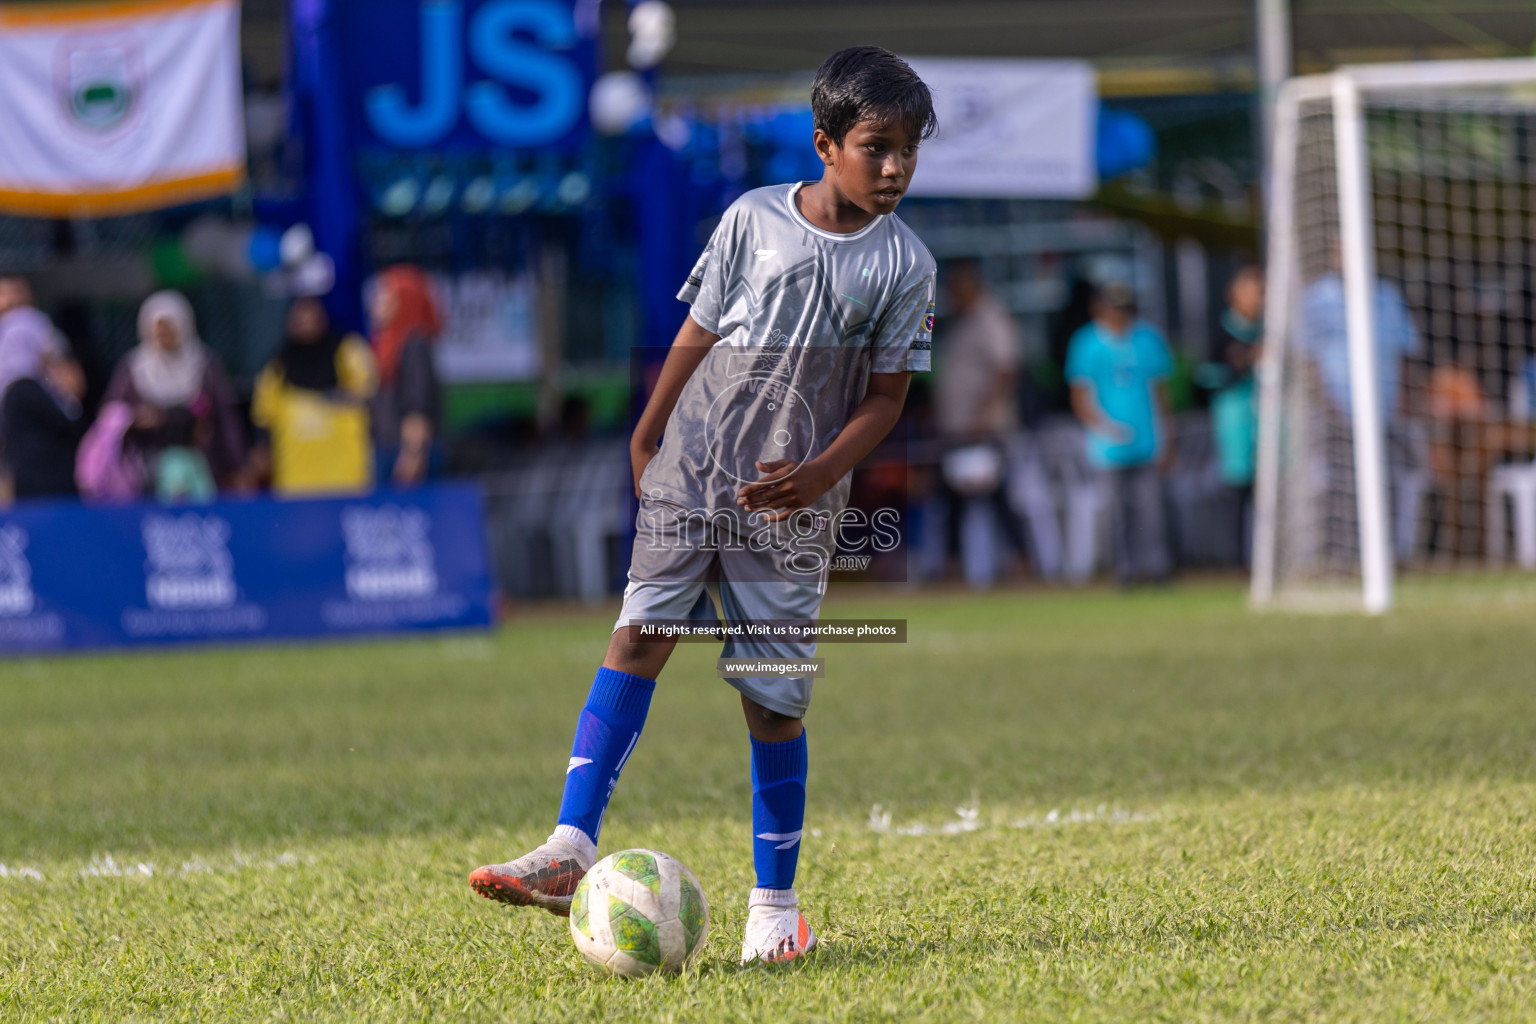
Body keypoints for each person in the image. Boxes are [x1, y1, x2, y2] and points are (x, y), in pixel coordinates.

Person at [468, 45, 938, 965]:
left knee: (772, 701)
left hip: (790, 510)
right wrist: (648, 430)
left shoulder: (904, 265)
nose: (894, 168)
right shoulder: (752, 219)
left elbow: (886, 399)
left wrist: (815, 476)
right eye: (877, 146)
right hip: (692, 471)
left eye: (909, 151)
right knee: (638, 636)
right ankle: (569, 846)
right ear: (825, 143)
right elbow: (700, 326)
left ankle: (774, 908)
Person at [1065, 280, 1175, 584]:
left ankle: (1156, 568)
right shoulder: (1086, 342)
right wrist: (1104, 428)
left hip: (1146, 440)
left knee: (1151, 511)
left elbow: (1162, 393)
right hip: (1108, 446)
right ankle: (1125, 571)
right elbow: (1080, 396)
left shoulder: (1148, 338)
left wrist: (1167, 438)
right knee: (1116, 514)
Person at [931, 258, 1028, 585]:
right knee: (953, 503)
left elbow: (1005, 371)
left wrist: (983, 414)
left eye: (955, 288)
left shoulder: (991, 318)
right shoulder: (963, 321)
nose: (951, 295)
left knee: (998, 498)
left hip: (984, 429)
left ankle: (1020, 563)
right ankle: (955, 567)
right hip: (958, 428)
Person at [103, 291, 246, 493]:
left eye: (170, 329)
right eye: (158, 331)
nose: (164, 337)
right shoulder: (134, 369)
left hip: (202, 469)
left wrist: (238, 465)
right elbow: (110, 415)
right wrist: (136, 418)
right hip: (146, 473)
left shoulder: (205, 366)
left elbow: (226, 418)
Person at [249, 297, 377, 496]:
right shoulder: (278, 364)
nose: (305, 324)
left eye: (310, 316)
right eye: (299, 318)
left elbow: (366, 390)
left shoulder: (346, 349)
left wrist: (335, 400)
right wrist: (262, 449)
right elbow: (262, 412)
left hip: (345, 474)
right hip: (295, 475)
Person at [1206, 266, 1264, 562]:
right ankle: (1237, 561)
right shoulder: (1220, 332)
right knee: (1239, 493)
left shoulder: (1270, 329)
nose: (1257, 298)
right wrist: (1244, 362)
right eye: (1251, 291)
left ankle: (1268, 557)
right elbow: (1207, 380)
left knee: (1268, 493)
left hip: (1270, 424)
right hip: (1237, 426)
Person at [368, 265, 443, 488]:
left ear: (404, 302)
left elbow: (417, 403)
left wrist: (412, 454)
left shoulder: (414, 343)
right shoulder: (388, 345)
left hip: (406, 454)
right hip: (389, 447)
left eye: (384, 296)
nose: (376, 303)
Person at [2, 344, 86, 500]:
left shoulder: (18, 390)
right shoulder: (27, 388)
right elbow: (68, 425)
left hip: (34, 484)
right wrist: (69, 395)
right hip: (47, 486)